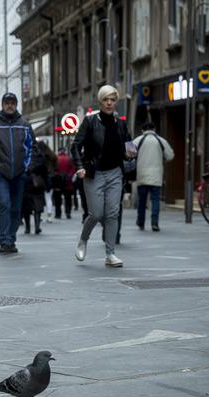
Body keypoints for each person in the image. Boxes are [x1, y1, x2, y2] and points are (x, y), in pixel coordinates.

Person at [71, 85, 132, 267]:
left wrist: (130, 152)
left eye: (113, 100)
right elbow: (75, 145)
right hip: (94, 173)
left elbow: (128, 145)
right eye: (106, 100)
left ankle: (110, 254)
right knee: (96, 213)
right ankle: (83, 239)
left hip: (115, 173)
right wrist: (80, 166)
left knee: (113, 213)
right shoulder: (90, 122)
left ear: (116, 102)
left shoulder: (121, 123)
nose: (109, 103)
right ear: (100, 102)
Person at [0, 92, 38, 254]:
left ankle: (11, 239)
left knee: (16, 209)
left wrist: (27, 168)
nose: (10, 105)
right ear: (2, 105)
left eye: (12, 102)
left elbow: (33, 147)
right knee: (4, 204)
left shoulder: (25, 125)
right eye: (7, 102)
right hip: (1, 174)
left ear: (16, 104)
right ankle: (4, 240)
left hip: (19, 174)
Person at [133, 121, 174, 232]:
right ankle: (154, 223)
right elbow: (170, 155)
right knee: (155, 200)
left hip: (142, 175)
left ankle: (140, 222)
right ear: (154, 129)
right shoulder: (161, 140)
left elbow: (128, 153)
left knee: (142, 200)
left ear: (143, 130)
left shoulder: (138, 140)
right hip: (156, 175)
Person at [21, 141, 48, 234]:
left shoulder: (23, 157)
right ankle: (37, 227)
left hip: (26, 184)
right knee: (38, 207)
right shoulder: (41, 157)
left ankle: (27, 228)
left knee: (26, 208)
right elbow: (45, 172)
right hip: (38, 185)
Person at [53, 148, 75, 219]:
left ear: (58, 151)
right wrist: (69, 176)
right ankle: (68, 212)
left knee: (57, 199)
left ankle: (58, 214)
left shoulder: (56, 159)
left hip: (58, 182)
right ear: (65, 151)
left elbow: (53, 170)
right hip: (68, 182)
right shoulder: (69, 159)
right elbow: (72, 169)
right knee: (68, 198)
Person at [43, 145, 58, 222]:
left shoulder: (42, 157)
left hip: (43, 179)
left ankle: (41, 215)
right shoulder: (53, 157)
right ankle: (49, 215)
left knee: (43, 198)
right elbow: (56, 168)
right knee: (49, 197)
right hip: (51, 179)